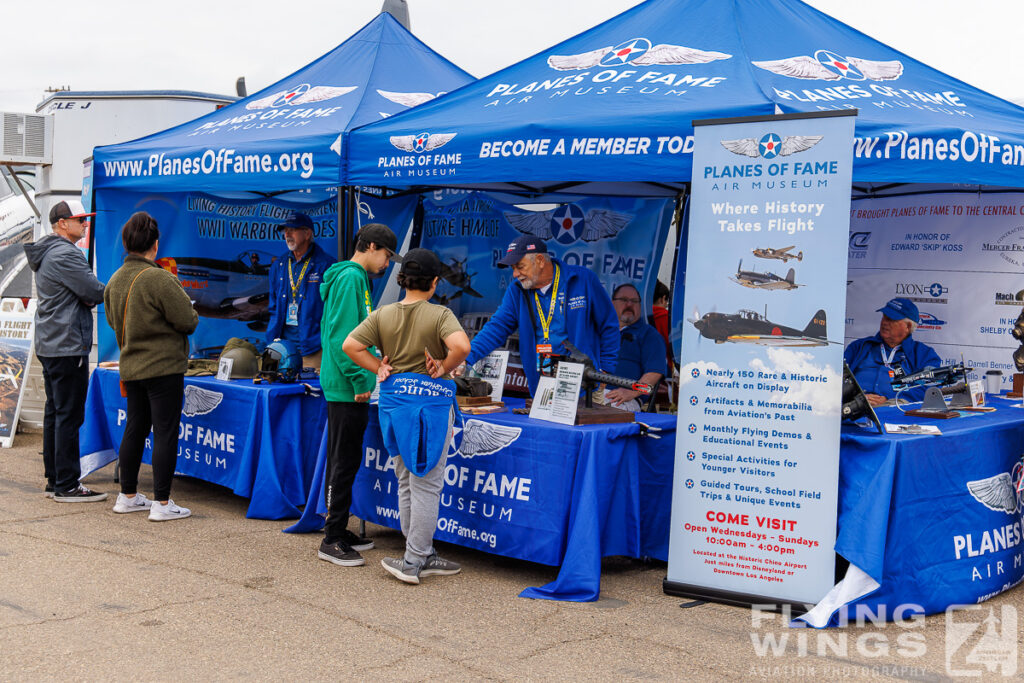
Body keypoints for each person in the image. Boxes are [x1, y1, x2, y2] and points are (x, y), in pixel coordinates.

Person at [343, 248, 470, 585]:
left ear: (401, 279)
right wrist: (443, 367)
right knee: (427, 484)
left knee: (406, 480)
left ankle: (421, 551)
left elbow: (350, 346)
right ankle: (414, 559)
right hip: (429, 409)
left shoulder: (384, 314)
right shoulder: (440, 314)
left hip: (394, 405)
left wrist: (378, 366)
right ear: (434, 282)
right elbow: (463, 346)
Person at [104, 212, 199, 521]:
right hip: (163, 368)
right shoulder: (159, 278)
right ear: (155, 245)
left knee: (135, 428)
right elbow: (188, 320)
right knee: (165, 432)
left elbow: (111, 320)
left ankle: (127, 495)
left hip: (131, 366)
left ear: (126, 243)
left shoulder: (115, 280)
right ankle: (161, 503)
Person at [317, 223, 401, 567]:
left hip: (350, 384)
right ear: (369, 246)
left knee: (346, 459)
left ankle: (337, 526)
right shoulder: (351, 278)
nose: (387, 263)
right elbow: (341, 339)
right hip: (346, 387)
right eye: (386, 254)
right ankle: (332, 537)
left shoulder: (357, 278)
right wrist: (359, 380)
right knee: (343, 460)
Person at [24, 200, 108, 502]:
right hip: (67, 344)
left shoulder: (48, 251)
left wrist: (84, 295)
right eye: (80, 220)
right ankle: (68, 484)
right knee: (69, 415)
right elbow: (96, 291)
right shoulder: (65, 254)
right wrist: (86, 296)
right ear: (63, 223)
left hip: (52, 342)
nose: (85, 225)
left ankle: (56, 478)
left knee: (55, 413)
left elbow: (86, 293)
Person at [462, 235, 619, 394]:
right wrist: (465, 358)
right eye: (513, 268)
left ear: (540, 260)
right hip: (542, 386)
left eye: (520, 266)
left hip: (584, 385)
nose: (515, 274)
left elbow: (609, 325)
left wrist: (604, 370)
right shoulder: (517, 290)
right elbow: (496, 328)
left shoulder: (583, 280)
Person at [265, 211, 334, 371]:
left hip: (313, 349)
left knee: (312, 393)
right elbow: (273, 307)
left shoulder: (326, 265)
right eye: (285, 230)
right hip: (281, 349)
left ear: (307, 233)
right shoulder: (279, 265)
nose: (287, 234)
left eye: (293, 230)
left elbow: (332, 310)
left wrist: (323, 341)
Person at [844, 297, 941, 406]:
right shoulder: (858, 346)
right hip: (852, 406)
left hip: (893, 410)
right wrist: (856, 398)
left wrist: (890, 400)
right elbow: (839, 377)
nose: (885, 322)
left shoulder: (924, 354)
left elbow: (931, 387)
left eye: (891, 319)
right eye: (884, 317)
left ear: (908, 327)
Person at [606, 283, 668, 411]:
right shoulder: (600, 331)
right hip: (589, 393)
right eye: (624, 300)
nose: (629, 305)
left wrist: (632, 392)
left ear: (640, 306)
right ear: (612, 303)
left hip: (621, 399)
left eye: (634, 301)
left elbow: (654, 373)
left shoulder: (650, 335)